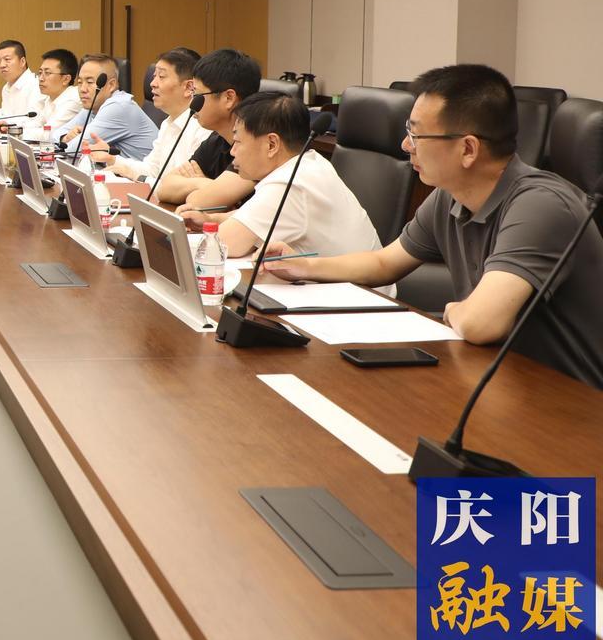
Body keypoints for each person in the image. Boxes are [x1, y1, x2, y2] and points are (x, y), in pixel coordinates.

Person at [268, 64, 603, 388]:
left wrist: (454, 310)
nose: (405, 145)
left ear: (468, 149)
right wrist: (304, 266)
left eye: (416, 135)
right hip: (500, 377)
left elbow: (480, 323)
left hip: (572, 401)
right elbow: (384, 263)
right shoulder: (450, 196)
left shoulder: (541, 205)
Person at [181, 92, 382, 261]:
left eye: (238, 142)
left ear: (272, 144)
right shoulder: (309, 162)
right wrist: (211, 219)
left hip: (360, 293)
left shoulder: (292, 182)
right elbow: (254, 216)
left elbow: (225, 244)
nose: (232, 152)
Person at [154, 48, 261, 208]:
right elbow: (164, 188)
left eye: (197, 95)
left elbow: (198, 201)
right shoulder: (217, 139)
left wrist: (205, 190)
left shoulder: (256, 144)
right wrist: (204, 184)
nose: (192, 103)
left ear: (228, 98)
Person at [91, 48, 210, 184]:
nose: (152, 83)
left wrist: (138, 177)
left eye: (161, 76)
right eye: (154, 76)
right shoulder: (168, 123)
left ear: (189, 88)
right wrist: (112, 159)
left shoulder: (202, 128)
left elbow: (182, 186)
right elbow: (152, 169)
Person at [52, 54, 157, 160]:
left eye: (90, 82)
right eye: (79, 82)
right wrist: (65, 138)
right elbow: (53, 138)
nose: (83, 89)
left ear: (111, 85)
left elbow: (74, 150)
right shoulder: (93, 106)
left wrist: (66, 143)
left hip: (142, 170)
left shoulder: (118, 107)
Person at [0, 40, 38, 123]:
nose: (2, 65)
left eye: (7, 59)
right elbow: (10, 113)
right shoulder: (6, 88)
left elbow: (34, 121)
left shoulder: (36, 85)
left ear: (22, 62)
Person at [25, 49, 80, 139]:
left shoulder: (73, 99)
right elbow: (32, 124)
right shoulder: (49, 98)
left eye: (47, 73)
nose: (41, 78)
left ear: (66, 79)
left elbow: (48, 134)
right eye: (40, 73)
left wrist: (17, 133)